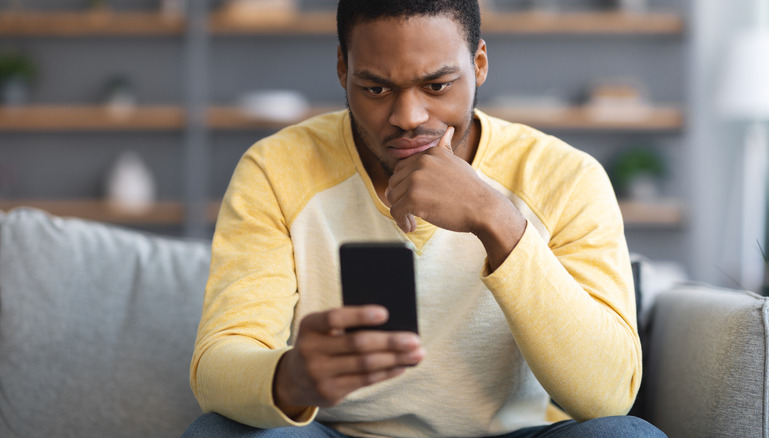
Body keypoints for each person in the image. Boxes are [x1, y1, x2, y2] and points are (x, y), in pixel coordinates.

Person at [184, 0, 666, 436]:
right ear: (341, 69)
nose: (408, 116)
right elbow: (217, 366)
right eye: (376, 88)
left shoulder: (565, 176)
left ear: (478, 64)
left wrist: (493, 216)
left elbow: (608, 394)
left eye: (437, 85)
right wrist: (290, 379)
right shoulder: (275, 169)